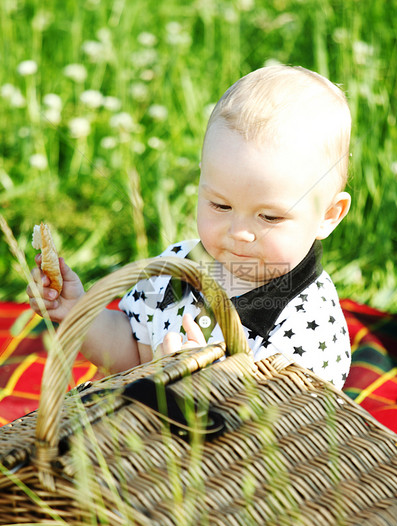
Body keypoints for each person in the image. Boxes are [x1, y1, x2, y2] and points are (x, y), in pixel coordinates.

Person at [28, 64, 353, 387]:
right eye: (220, 205)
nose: (239, 232)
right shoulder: (178, 267)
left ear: (328, 215)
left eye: (270, 217)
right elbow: (130, 350)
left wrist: (210, 388)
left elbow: (289, 426)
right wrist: (80, 315)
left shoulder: (309, 325)